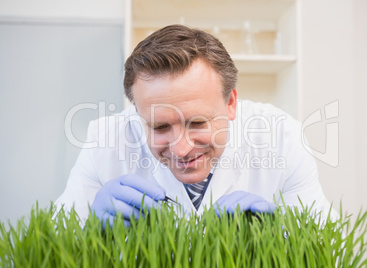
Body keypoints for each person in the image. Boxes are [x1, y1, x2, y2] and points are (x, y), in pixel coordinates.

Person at [56, 24, 337, 227]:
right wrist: (88, 226)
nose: (181, 148)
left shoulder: (282, 138)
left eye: (198, 122)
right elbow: (49, 245)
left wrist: (280, 236)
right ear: (137, 112)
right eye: (160, 127)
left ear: (231, 103)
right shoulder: (104, 141)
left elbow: (328, 248)